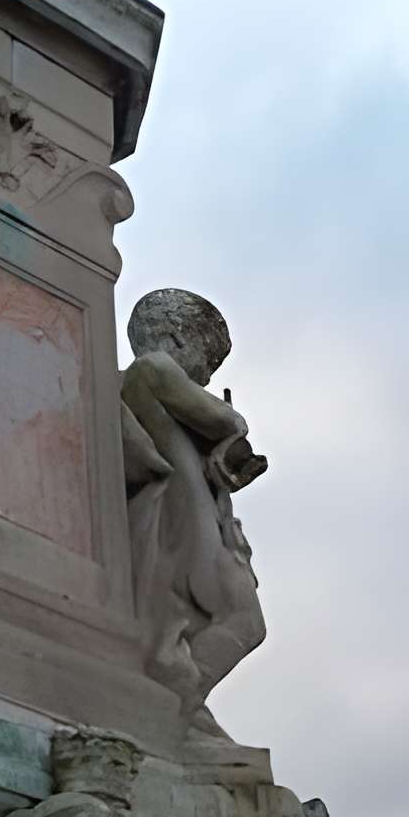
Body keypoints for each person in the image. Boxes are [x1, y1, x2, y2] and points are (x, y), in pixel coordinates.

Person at [119, 288, 267, 731]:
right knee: (242, 618)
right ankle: (174, 705)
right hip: (181, 520)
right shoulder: (148, 372)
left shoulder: (166, 400)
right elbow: (155, 373)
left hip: (196, 515)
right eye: (207, 362)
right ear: (176, 339)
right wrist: (232, 422)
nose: (204, 378)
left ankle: (180, 699)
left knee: (228, 617)